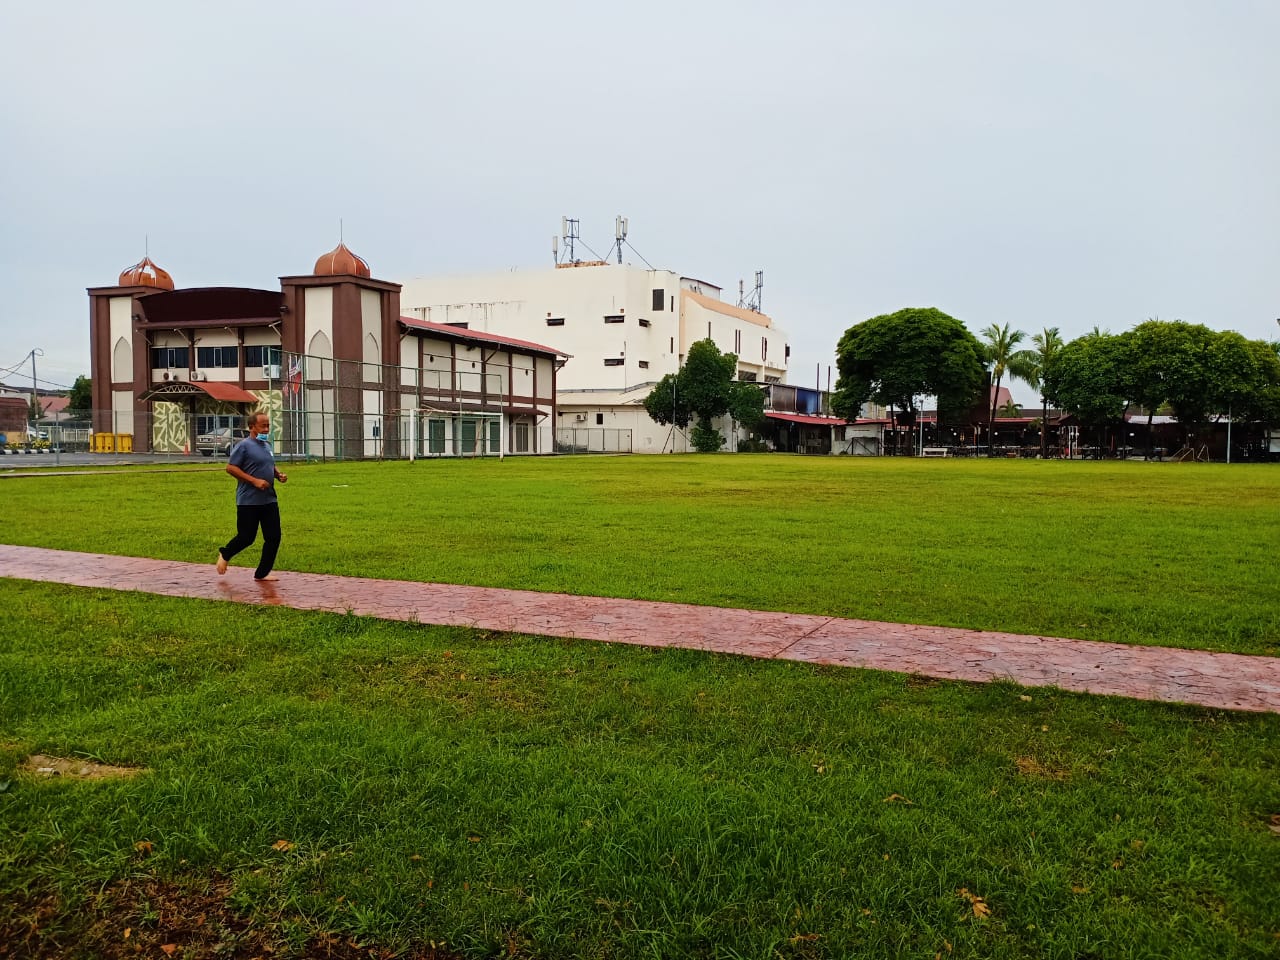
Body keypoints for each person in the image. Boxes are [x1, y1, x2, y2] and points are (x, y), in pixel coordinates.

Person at [215, 412, 287, 581]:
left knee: (273, 537)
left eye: (268, 425)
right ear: (252, 427)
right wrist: (254, 481)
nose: (267, 428)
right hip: (248, 501)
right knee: (246, 537)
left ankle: (262, 573)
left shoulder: (266, 445)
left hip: (269, 499)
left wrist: (278, 475)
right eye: (263, 425)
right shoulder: (244, 446)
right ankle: (225, 553)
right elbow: (231, 468)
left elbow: (268, 464)